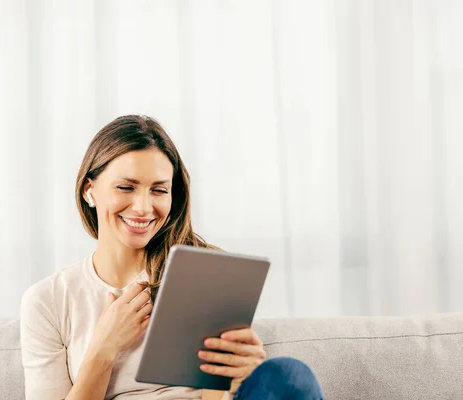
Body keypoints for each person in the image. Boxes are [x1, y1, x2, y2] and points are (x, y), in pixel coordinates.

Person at [20, 115, 325, 399]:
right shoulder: (48, 301)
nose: (142, 207)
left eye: (158, 190)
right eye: (126, 187)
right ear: (89, 190)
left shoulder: (202, 273)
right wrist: (103, 350)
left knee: (288, 376)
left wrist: (230, 379)